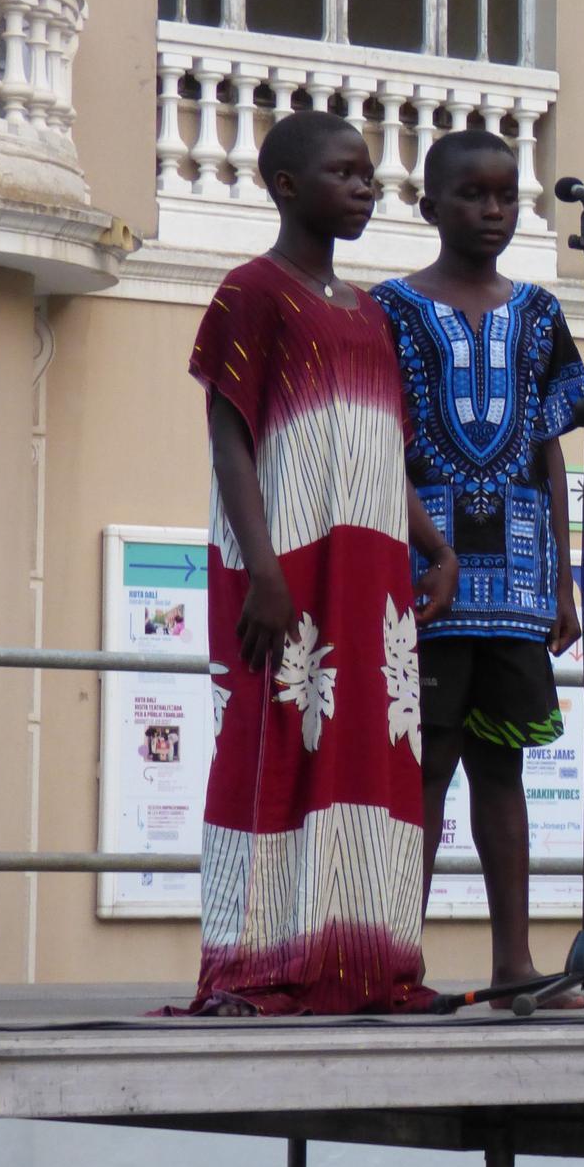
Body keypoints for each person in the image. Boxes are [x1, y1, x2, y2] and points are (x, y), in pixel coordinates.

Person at [182, 110, 458, 1016]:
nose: (366, 189)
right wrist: (262, 571)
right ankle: (253, 960)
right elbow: (230, 440)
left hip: (370, 577)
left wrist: (436, 545)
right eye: (346, 173)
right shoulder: (250, 293)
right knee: (268, 745)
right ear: (286, 186)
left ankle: (368, 959)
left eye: (370, 175)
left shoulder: (371, 312)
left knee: (369, 759)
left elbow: (381, 451)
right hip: (284, 564)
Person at [372, 128, 584, 1006]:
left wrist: (566, 578)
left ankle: (513, 965)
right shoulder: (386, 310)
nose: (493, 211)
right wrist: (424, 549)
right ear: (429, 206)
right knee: (423, 763)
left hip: (520, 576)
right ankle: (399, 964)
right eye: (472, 195)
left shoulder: (538, 314)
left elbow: (549, 449)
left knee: (503, 770)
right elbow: (377, 443)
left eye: (507, 197)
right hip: (429, 577)